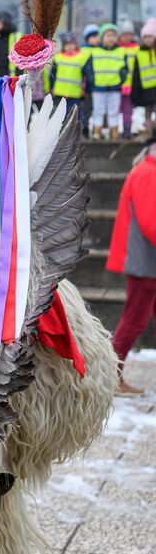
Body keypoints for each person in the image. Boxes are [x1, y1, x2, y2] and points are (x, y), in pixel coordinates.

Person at [106, 138, 156, 397]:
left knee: (135, 319)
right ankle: (110, 376)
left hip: (146, 260)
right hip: (145, 262)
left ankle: (111, 374)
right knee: (134, 321)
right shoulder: (148, 172)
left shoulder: (146, 169)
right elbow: (151, 222)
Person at [90, 23, 127, 141]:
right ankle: (97, 131)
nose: (111, 38)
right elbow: (89, 69)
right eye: (108, 35)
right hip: (98, 87)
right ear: (102, 37)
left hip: (115, 87)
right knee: (98, 110)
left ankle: (114, 131)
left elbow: (125, 69)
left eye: (113, 35)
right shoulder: (95, 52)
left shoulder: (121, 51)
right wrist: (93, 81)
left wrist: (120, 81)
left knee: (114, 110)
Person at [49, 32, 92, 117]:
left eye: (72, 43)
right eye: (67, 44)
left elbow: (85, 76)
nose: (70, 46)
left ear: (75, 44)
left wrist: (84, 89)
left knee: (74, 116)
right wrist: (52, 87)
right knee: (60, 117)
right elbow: (52, 75)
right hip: (60, 93)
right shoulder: (58, 58)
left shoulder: (82, 58)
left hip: (76, 93)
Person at [131, 19, 156, 132]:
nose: (148, 39)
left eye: (150, 36)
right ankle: (149, 131)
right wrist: (136, 91)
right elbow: (136, 74)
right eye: (145, 37)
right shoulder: (139, 53)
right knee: (148, 111)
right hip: (146, 89)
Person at [118, 17, 139, 138]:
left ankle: (127, 129)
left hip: (130, 85)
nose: (127, 37)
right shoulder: (117, 48)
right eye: (124, 34)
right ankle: (112, 129)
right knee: (114, 109)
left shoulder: (136, 48)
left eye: (129, 34)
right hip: (117, 84)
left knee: (127, 109)